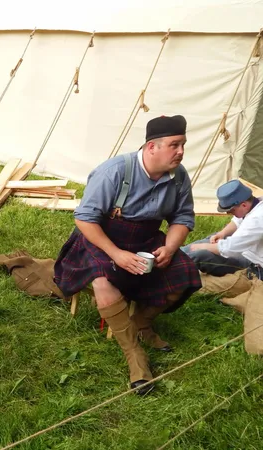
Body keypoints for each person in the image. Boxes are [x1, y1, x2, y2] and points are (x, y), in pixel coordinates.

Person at [54, 115, 202, 395]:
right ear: (151, 147)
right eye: (174, 145)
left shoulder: (179, 176)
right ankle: (135, 355)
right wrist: (116, 254)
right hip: (102, 239)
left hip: (146, 239)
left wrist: (170, 248)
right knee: (102, 281)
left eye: (182, 144)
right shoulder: (114, 171)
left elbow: (182, 216)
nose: (181, 151)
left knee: (185, 274)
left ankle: (141, 324)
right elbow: (85, 219)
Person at [182, 179, 263, 278]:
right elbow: (238, 221)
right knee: (212, 239)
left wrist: (203, 247)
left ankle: (168, 269)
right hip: (244, 250)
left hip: (254, 264)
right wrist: (222, 233)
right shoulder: (255, 204)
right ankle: (172, 254)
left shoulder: (257, 219)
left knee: (201, 255)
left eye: (231, 210)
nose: (228, 213)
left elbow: (229, 248)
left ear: (244, 205)